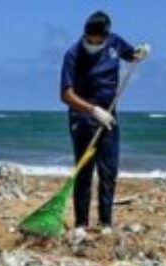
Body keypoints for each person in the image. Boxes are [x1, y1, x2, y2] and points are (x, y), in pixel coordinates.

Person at [60, 11, 149, 235]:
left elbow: (131, 55)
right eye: (90, 39)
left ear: (106, 36)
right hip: (82, 117)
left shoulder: (115, 43)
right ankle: (81, 223)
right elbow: (65, 94)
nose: (93, 43)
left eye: (97, 40)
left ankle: (106, 223)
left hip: (109, 115)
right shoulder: (73, 54)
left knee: (108, 170)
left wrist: (141, 52)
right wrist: (92, 110)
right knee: (84, 170)